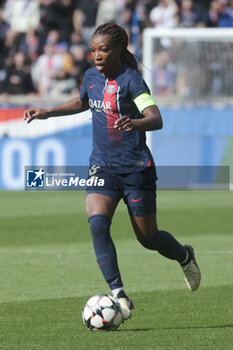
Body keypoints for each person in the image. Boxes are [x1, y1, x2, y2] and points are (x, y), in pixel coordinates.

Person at [24, 22, 201, 321]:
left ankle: (184, 255)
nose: (97, 55)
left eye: (104, 50)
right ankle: (118, 292)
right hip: (102, 166)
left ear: (119, 49)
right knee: (97, 224)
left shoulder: (132, 81)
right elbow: (82, 102)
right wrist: (47, 111)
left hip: (135, 170)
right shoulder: (91, 76)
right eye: (93, 49)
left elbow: (155, 118)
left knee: (148, 238)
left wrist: (135, 122)